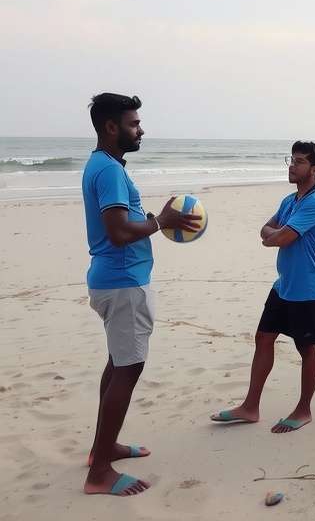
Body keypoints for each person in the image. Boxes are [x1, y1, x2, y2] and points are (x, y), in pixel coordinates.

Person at [82, 93, 201, 496]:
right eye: (133, 124)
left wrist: (154, 220)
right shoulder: (109, 170)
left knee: (117, 364)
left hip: (113, 280)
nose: (141, 129)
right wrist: (160, 221)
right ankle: (99, 472)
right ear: (111, 127)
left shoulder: (103, 164)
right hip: (123, 282)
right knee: (128, 370)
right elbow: (117, 233)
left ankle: (104, 447)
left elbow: (121, 221)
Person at [211, 141, 315, 434]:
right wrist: (275, 235)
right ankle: (250, 406)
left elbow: (277, 237)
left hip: (306, 287)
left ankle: (304, 409)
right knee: (263, 338)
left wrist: (274, 235)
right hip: (283, 284)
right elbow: (268, 229)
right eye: (291, 159)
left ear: (314, 169)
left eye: (299, 161)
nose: (292, 165)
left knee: (306, 348)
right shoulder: (290, 200)